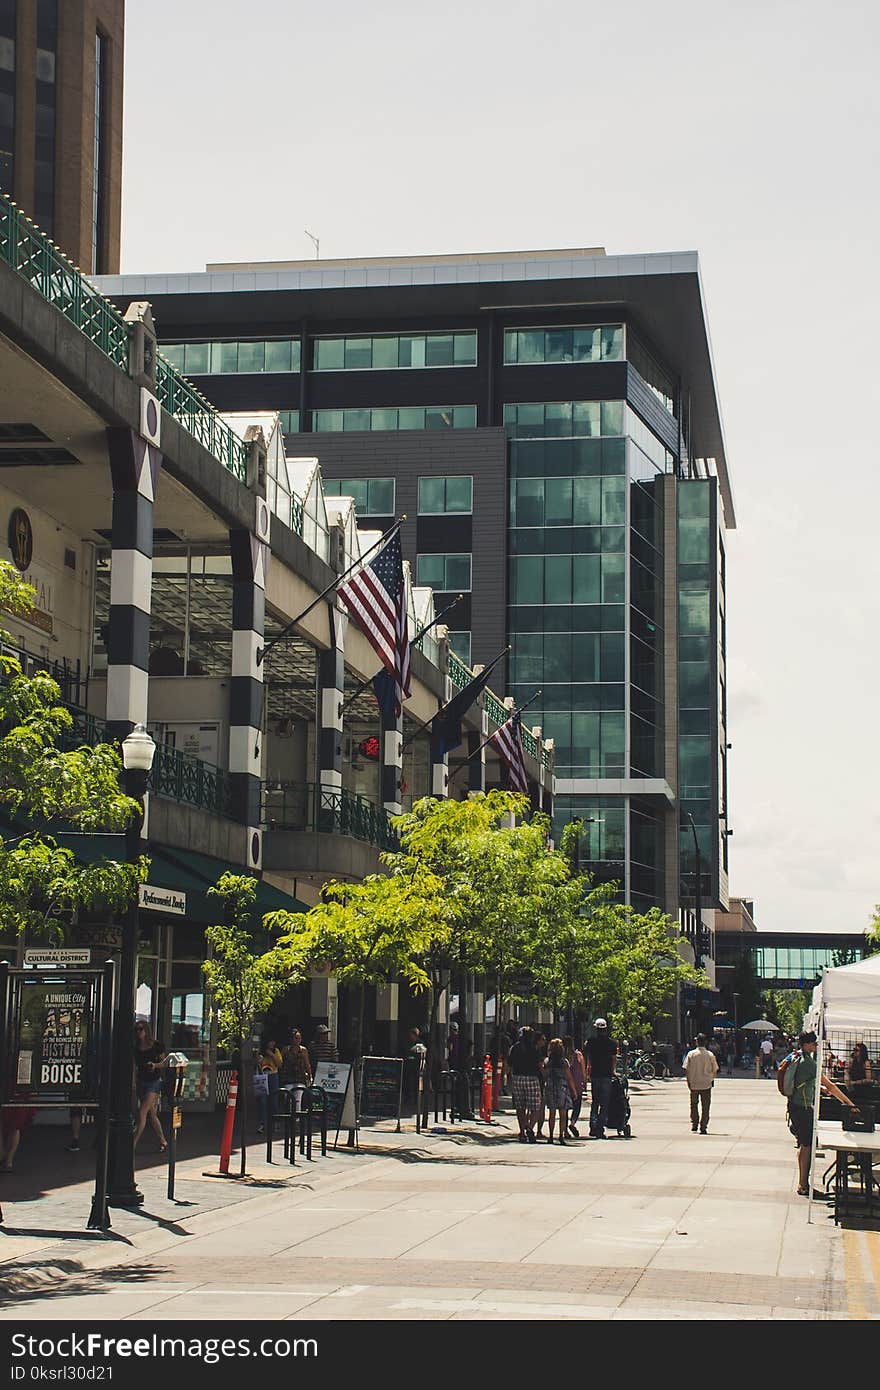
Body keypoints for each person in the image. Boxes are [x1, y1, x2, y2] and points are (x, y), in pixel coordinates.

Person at [787, 1030, 857, 1196]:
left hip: (795, 1106)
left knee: (805, 1144)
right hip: (803, 1108)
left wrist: (822, 1089)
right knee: (807, 1145)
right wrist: (848, 1103)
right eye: (813, 1043)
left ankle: (803, 1182)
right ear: (805, 1045)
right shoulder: (809, 1063)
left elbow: (804, 1081)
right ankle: (803, 1185)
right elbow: (832, 1085)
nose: (816, 1045)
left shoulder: (798, 1057)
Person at [133, 1020, 167, 1152]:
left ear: (146, 1030)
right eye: (136, 1030)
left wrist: (155, 1065)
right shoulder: (136, 1047)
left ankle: (133, 1142)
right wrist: (133, 1081)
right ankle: (162, 1140)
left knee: (142, 1112)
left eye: (140, 1029)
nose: (138, 1032)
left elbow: (164, 1062)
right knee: (151, 1113)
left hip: (154, 1081)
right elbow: (134, 1066)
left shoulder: (156, 1046)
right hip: (141, 1081)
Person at [508, 1026, 542, 1142]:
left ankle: (522, 1131)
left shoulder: (514, 1048)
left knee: (520, 1107)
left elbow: (510, 1063)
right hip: (532, 1078)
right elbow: (539, 1065)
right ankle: (530, 1128)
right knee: (535, 1107)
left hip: (517, 1078)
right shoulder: (535, 1048)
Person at [542, 1038, 579, 1144]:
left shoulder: (547, 1061)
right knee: (563, 1113)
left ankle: (551, 1135)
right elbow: (569, 1077)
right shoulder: (564, 1062)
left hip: (550, 1087)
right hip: (562, 1087)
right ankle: (561, 1135)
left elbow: (545, 1075)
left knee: (552, 1113)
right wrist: (573, 1091)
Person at [585, 1019, 618, 1138]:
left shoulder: (591, 1042)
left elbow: (589, 1059)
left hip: (595, 1075)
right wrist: (613, 1071)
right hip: (607, 1075)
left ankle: (593, 1126)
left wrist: (588, 1072)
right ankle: (600, 1127)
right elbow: (614, 1059)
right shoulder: (612, 1043)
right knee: (604, 1103)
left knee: (595, 1102)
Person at [684, 1033, 719, 1133]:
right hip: (706, 1084)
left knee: (694, 1104)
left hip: (694, 1083)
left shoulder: (691, 1054)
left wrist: (688, 1081)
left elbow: (686, 1069)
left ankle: (694, 1123)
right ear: (705, 1042)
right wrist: (712, 1079)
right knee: (706, 1106)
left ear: (696, 1042)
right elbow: (715, 1069)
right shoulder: (710, 1055)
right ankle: (703, 1126)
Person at [0, 1095, 36, 1171]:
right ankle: (8, 1159)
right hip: (19, 1094)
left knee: (14, 1126)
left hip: (15, 1093)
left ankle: (5, 1157)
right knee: (15, 1126)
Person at [256, 1037, 282, 1134]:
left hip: (273, 1076)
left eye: (273, 1042)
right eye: (270, 1041)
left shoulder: (276, 1051)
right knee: (263, 1101)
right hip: (263, 1077)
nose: (272, 1044)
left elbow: (279, 1064)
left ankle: (275, 1123)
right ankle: (262, 1124)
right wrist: (259, 1059)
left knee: (274, 1101)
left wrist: (272, 1054)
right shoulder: (261, 1052)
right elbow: (257, 1064)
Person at [563, 1035, 586, 1138]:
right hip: (577, 1084)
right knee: (577, 1107)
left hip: (565, 1085)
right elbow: (583, 1070)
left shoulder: (562, 1057)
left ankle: (564, 1131)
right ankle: (572, 1123)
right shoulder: (578, 1055)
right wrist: (584, 1082)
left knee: (565, 1109)